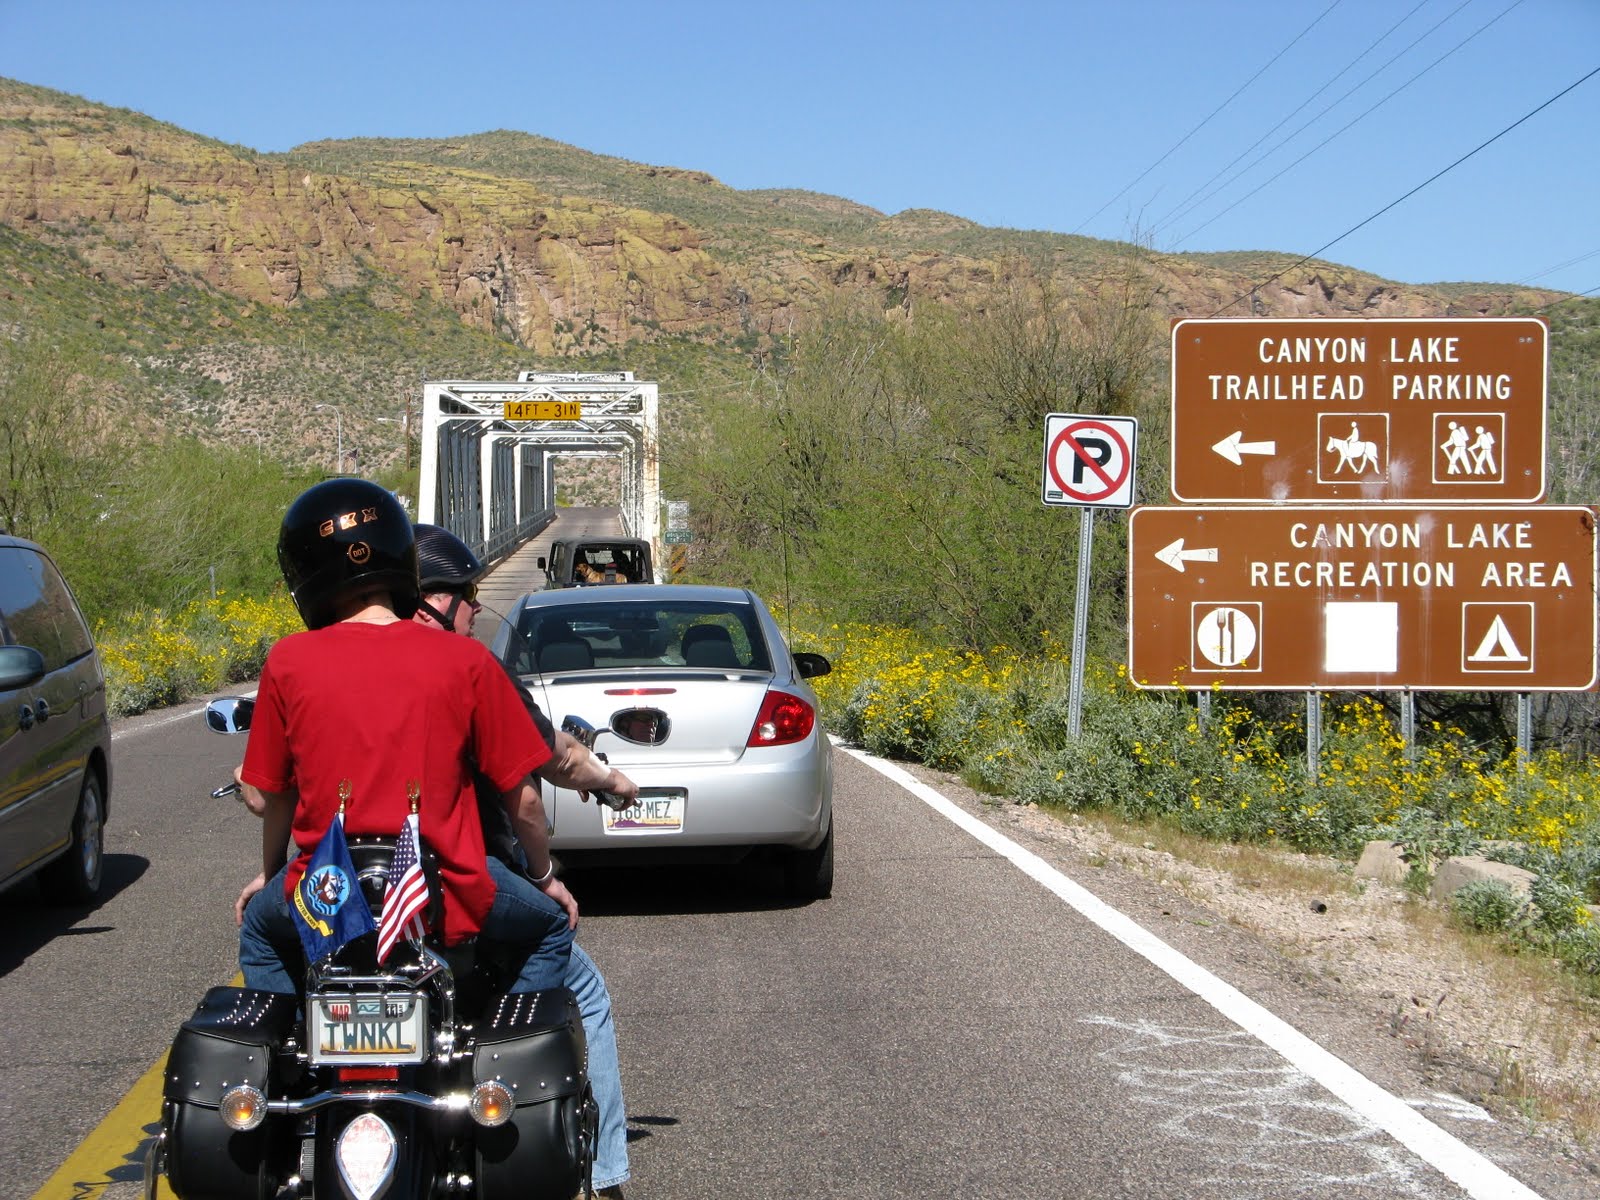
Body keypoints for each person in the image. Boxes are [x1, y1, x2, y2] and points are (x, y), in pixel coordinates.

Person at [234, 478, 577, 1002]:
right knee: (551, 926)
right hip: (447, 889)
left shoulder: (287, 661)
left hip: (328, 885)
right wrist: (544, 876)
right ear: (402, 557)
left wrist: (271, 875)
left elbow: (276, 796)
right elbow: (524, 798)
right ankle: (501, 1060)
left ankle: (289, 1045)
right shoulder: (464, 661)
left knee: (259, 929)